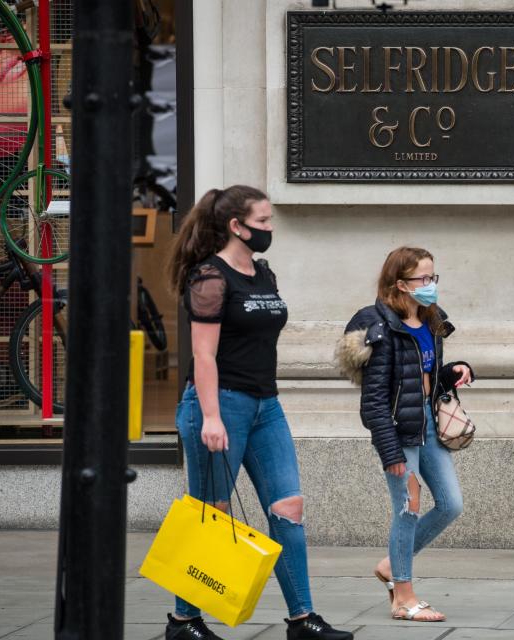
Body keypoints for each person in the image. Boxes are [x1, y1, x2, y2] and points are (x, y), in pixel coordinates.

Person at [165, 186, 353, 640]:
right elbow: (204, 357)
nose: (270, 229)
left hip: (266, 405)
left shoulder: (263, 273)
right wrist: (210, 417)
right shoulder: (210, 278)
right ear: (236, 225)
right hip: (220, 403)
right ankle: (183, 620)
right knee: (211, 513)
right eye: (263, 222)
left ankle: (302, 618)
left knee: (288, 507)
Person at [337, 247, 473, 622]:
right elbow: (375, 401)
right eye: (423, 280)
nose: (430, 286)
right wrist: (391, 454)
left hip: (428, 425)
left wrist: (453, 372)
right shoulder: (380, 326)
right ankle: (403, 597)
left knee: (450, 504)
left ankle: (391, 565)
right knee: (408, 509)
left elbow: (422, 378)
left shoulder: (430, 320)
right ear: (400, 283)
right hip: (400, 433)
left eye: (434, 278)